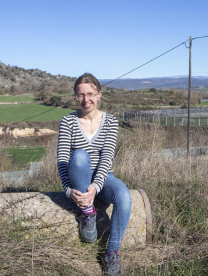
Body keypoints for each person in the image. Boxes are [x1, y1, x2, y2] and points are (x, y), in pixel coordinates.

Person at [57, 73, 131, 275]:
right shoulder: (68, 121)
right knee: (79, 156)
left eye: (90, 94)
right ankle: (87, 213)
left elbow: (107, 158)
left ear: (99, 95)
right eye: (80, 95)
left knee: (123, 196)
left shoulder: (110, 122)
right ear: (75, 96)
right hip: (78, 176)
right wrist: (68, 190)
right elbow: (63, 160)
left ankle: (111, 253)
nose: (85, 99)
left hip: (103, 176)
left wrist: (96, 187)